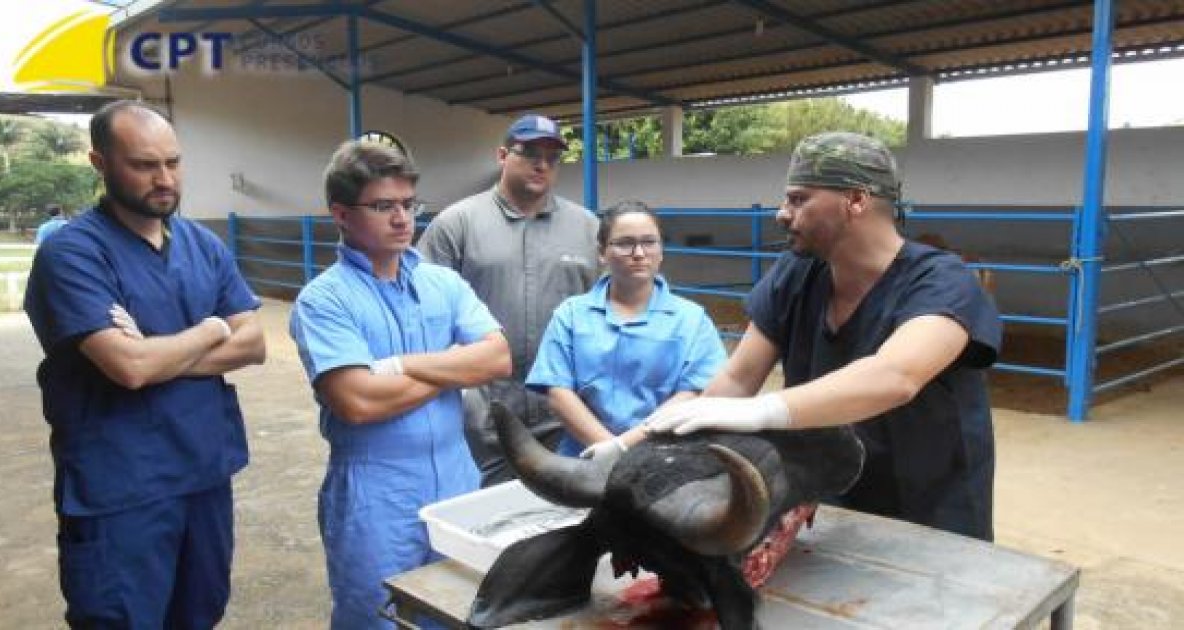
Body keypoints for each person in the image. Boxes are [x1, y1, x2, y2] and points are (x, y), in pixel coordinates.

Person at [647, 131, 1002, 541]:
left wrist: (764, 411)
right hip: (830, 506)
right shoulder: (797, 273)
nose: (782, 213)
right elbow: (739, 378)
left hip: (930, 518)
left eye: (798, 199)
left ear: (855, 201)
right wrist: (653, 447)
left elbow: (895, 376)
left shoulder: (943, 282)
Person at [23, 100, 266, 627]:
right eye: (143, 164)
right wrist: (211, 327)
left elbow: (254, 344)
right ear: (100, 162)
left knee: (199, 611)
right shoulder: (72, 254)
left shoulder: (202, 244)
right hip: (120, 490)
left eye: (173, 163)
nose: (164, 179)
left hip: (203, 474)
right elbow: (129, 367)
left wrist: (160, 352)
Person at [289, 140, 511, 628]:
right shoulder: (324, 301)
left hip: (457, 476)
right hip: (375, 489)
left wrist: (400, 366)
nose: (402, 219)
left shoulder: (442, 284)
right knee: (376, 615)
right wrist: (454, 364)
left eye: (409, 205)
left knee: (462, 607)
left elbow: (497, 358)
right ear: (341, 215)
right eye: (383, 206)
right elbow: (357, 402)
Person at [418, 113, 599, 485]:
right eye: (529, 152)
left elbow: (607, 309)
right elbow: (420, 309)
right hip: (482, 414)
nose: (541, 164)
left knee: (561, 518)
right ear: (502, 156)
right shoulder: (457, 224)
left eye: (552, 157)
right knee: (481, 513)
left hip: (564, 410)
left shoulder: (586, 228)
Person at [525, 200, 726, 465]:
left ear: (662, 250)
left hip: (664, 463)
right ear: (601, 252)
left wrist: (623, 448)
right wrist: (604, 448)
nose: (639, 253)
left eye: (649, 242)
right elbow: (558, 391)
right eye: (624, 243)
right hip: (584, 461)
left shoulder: (692, 320)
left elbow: (695, 394)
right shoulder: (571, 315)